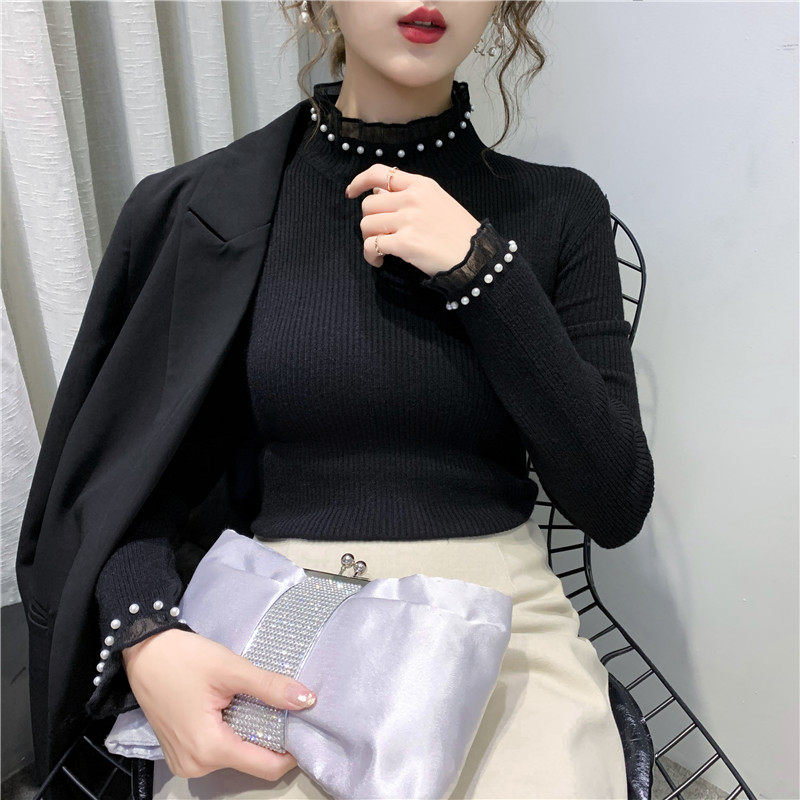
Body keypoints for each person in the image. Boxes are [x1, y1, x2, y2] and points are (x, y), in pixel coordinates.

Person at [24, 1, 654, 797]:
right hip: (273, 622)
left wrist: (483, 272)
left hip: (503, 627)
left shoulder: (560, 208)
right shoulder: (210, 211)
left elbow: (614, 501)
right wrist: (148, 636)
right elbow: (121, 486)